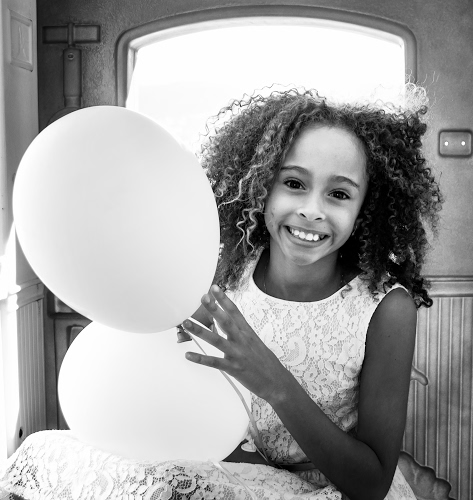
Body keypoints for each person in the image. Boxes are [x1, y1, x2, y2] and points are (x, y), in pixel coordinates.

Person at [176, 86, 443, 500]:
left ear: (364, 209)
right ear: (262, 186)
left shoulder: (387, 309)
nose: (312, 210)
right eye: (294, 183)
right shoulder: (225, 275)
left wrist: (275, 383)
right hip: (234, 478)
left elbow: (371, 484)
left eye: (338, 194)